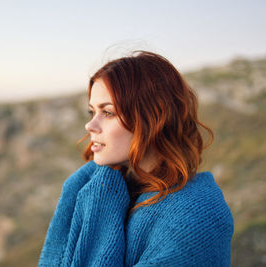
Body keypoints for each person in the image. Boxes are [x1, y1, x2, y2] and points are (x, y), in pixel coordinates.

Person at [38, 51, 234, 266]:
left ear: (152, 118)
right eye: (92, 112)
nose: (90, 126)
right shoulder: (92, 187)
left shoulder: (194, 217)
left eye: (108, 112)